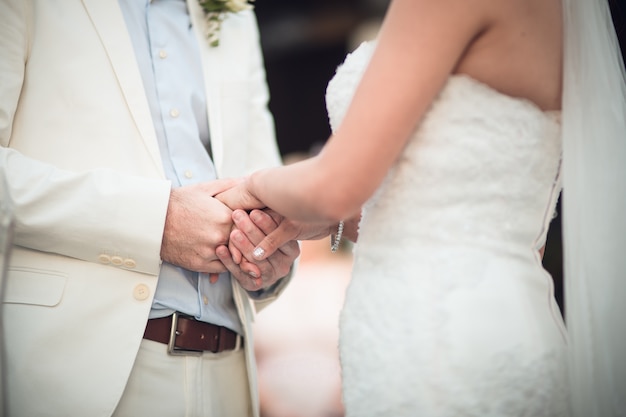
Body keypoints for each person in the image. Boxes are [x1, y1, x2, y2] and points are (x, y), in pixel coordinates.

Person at [216, 0, 626, 415]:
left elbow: (334, 189)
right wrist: (325, 217)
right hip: (506, 316)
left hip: (435, 335)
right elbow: (474, 211)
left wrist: (253, 184)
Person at [0, 0, 300, 416]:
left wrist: (267, 259)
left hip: (230, 374)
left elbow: (262, 177)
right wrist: (158, 222)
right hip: (80, 367)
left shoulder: (235, 14)